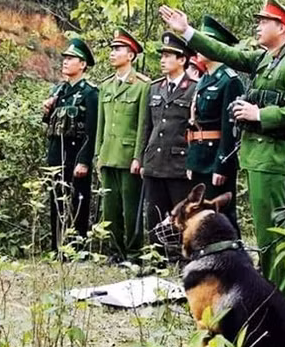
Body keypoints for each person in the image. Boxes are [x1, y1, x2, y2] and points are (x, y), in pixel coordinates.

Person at [160, 0, 285, 298]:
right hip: (255, 157)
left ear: (281, 27)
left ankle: (283, 294)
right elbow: (224, 52)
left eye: (264, 22)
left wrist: (260, 114)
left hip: (271, 158)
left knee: (274, 234)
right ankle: (271, 289)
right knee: (265, 232)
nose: (258, 27)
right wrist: (187, 31)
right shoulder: (264, 59)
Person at [141, 32, 198, 260]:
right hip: (154, 161)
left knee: (182, 213)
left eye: (168, 55)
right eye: (162, 56)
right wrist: (141, 158)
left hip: (178, 163)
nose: (163, 60)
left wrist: (192, 162)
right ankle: (156, 257)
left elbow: (195, 130)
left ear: (182, 59)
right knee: (153, 213)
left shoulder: (193, 88)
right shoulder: (155, 88)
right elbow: (147, 127)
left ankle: (184, 255)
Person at [186, 16, 245, 233]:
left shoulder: (229, 80)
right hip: (200, 157)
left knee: (222, 215)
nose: (200, 47)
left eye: (207, 41)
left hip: (216, 159)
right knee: (202, 213)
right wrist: (192, 161)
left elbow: (231, 129)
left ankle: (233, 260)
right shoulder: (204, 78)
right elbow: (195, 124)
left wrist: (223, 164)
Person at [95, 28, 150, 260]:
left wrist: (138, 156)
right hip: (109, 155)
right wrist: (98, 154)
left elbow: (143, 125)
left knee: (130, 208)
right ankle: (114, 251)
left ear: (131, 55)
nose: (112, 53)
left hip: (128, 157)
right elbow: (101, 124)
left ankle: (134, 252)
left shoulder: (142, 85)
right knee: (110, 208)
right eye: (112, 49)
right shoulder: (105, 87)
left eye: (118, 49)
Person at [43, 37, 99, 251]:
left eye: (71, 58)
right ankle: (57, 247)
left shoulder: (90, 93)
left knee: (78, 201)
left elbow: (92, 130)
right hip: (56, 154)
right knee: (56, 200)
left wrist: (84, 160)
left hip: (76, 155)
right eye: (65, 58)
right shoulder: (59, 90)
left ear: (82, 64)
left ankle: (78, 248)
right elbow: (51, 124)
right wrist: (48, 110)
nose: (65, 62)